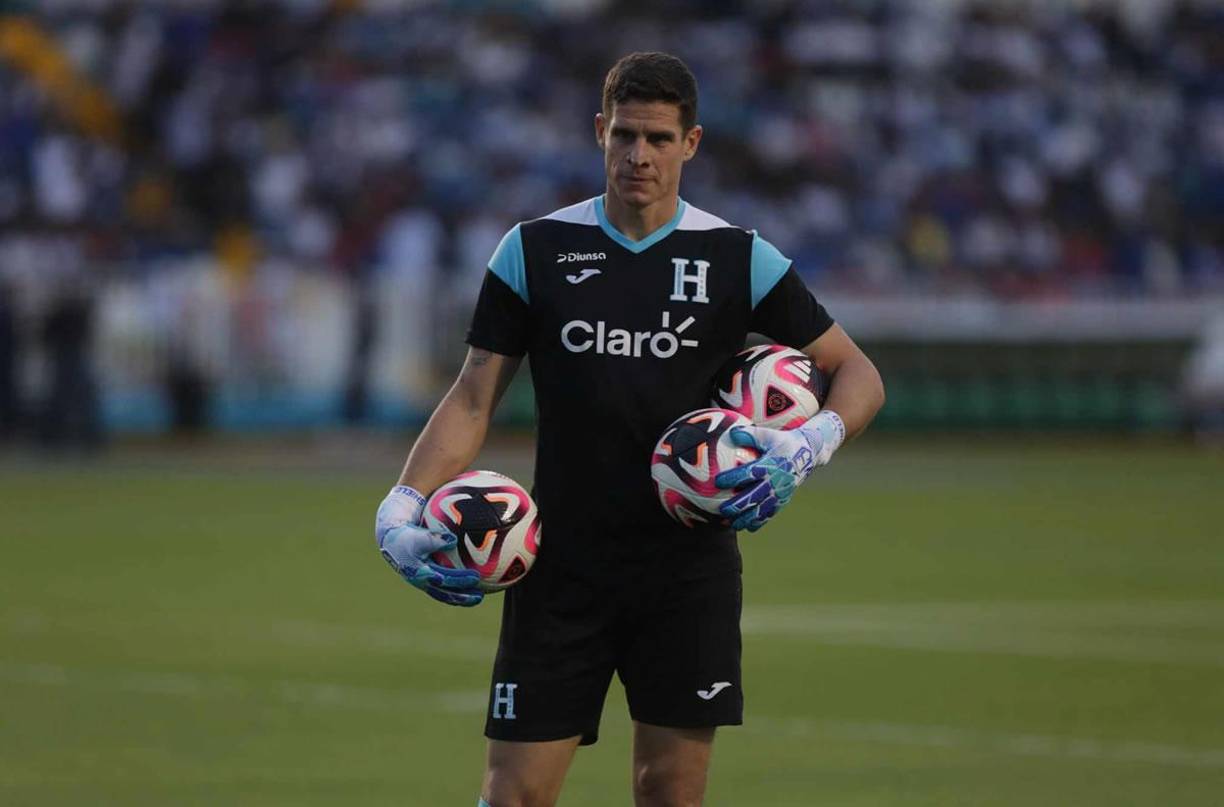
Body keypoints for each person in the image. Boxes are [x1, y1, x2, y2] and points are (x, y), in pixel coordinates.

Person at [374, 52, 884, 807]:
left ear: (692, 143)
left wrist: (806, 445)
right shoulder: (533, 250)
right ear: (598, 133)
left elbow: (858, 374)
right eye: (623, 136)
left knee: (668, 793)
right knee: (513, 793)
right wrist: (401, 506)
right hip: (558, 566)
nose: (637, 155)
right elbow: (473, 397)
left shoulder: (736, 257)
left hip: (686, 573)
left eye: (656, 137)